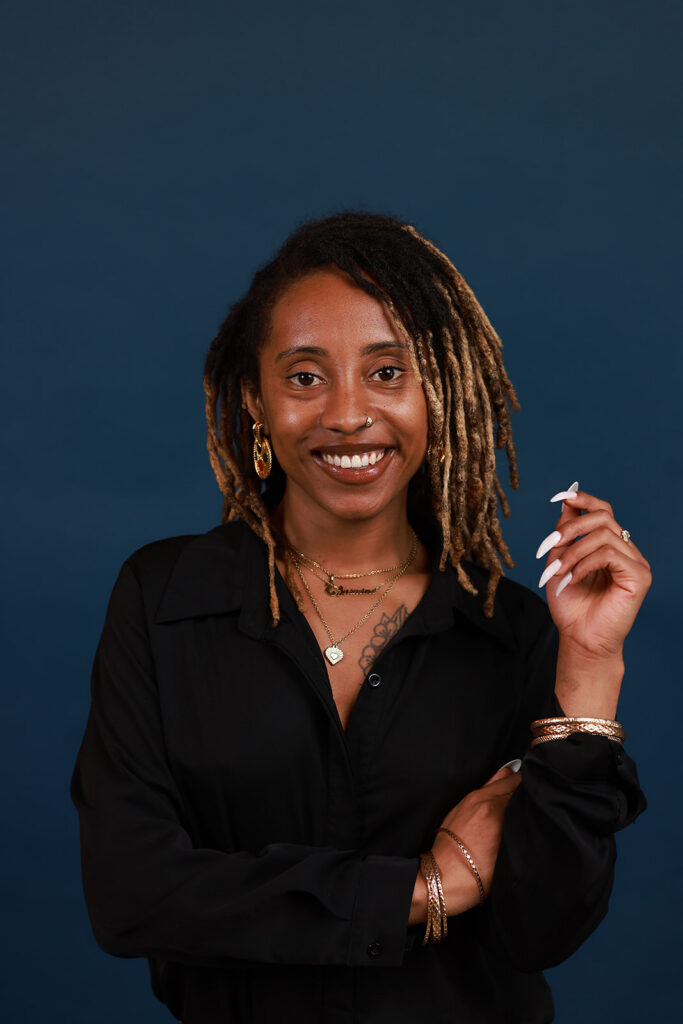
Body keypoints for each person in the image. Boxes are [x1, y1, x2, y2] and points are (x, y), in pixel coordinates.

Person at [70, 212, 651, 1023]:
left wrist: (590, 668)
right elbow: (131, 896)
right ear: (257, 401)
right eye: (305, 377)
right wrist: (427, 887)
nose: (348, 415)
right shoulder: (165, 599)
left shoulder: (510, 629)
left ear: (436, 394)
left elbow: (542, 930)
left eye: (388, 372)